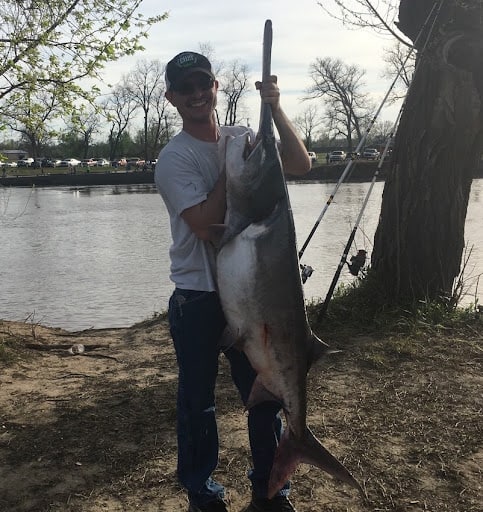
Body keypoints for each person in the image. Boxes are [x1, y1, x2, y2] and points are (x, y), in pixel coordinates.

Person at [154, 51, 311, 512]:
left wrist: (276, 108)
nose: (197, 93)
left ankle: (270, 490)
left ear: (216, 85)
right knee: (197, 402)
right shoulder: (173, 159)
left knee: (263, 397)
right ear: (172, 98)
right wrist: (234, 171)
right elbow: (205, 224)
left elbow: (300, 165)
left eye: (204, 82)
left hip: (251, 299)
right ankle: (203, 495)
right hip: (199, 297)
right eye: (186, 88)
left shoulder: (245, 137)